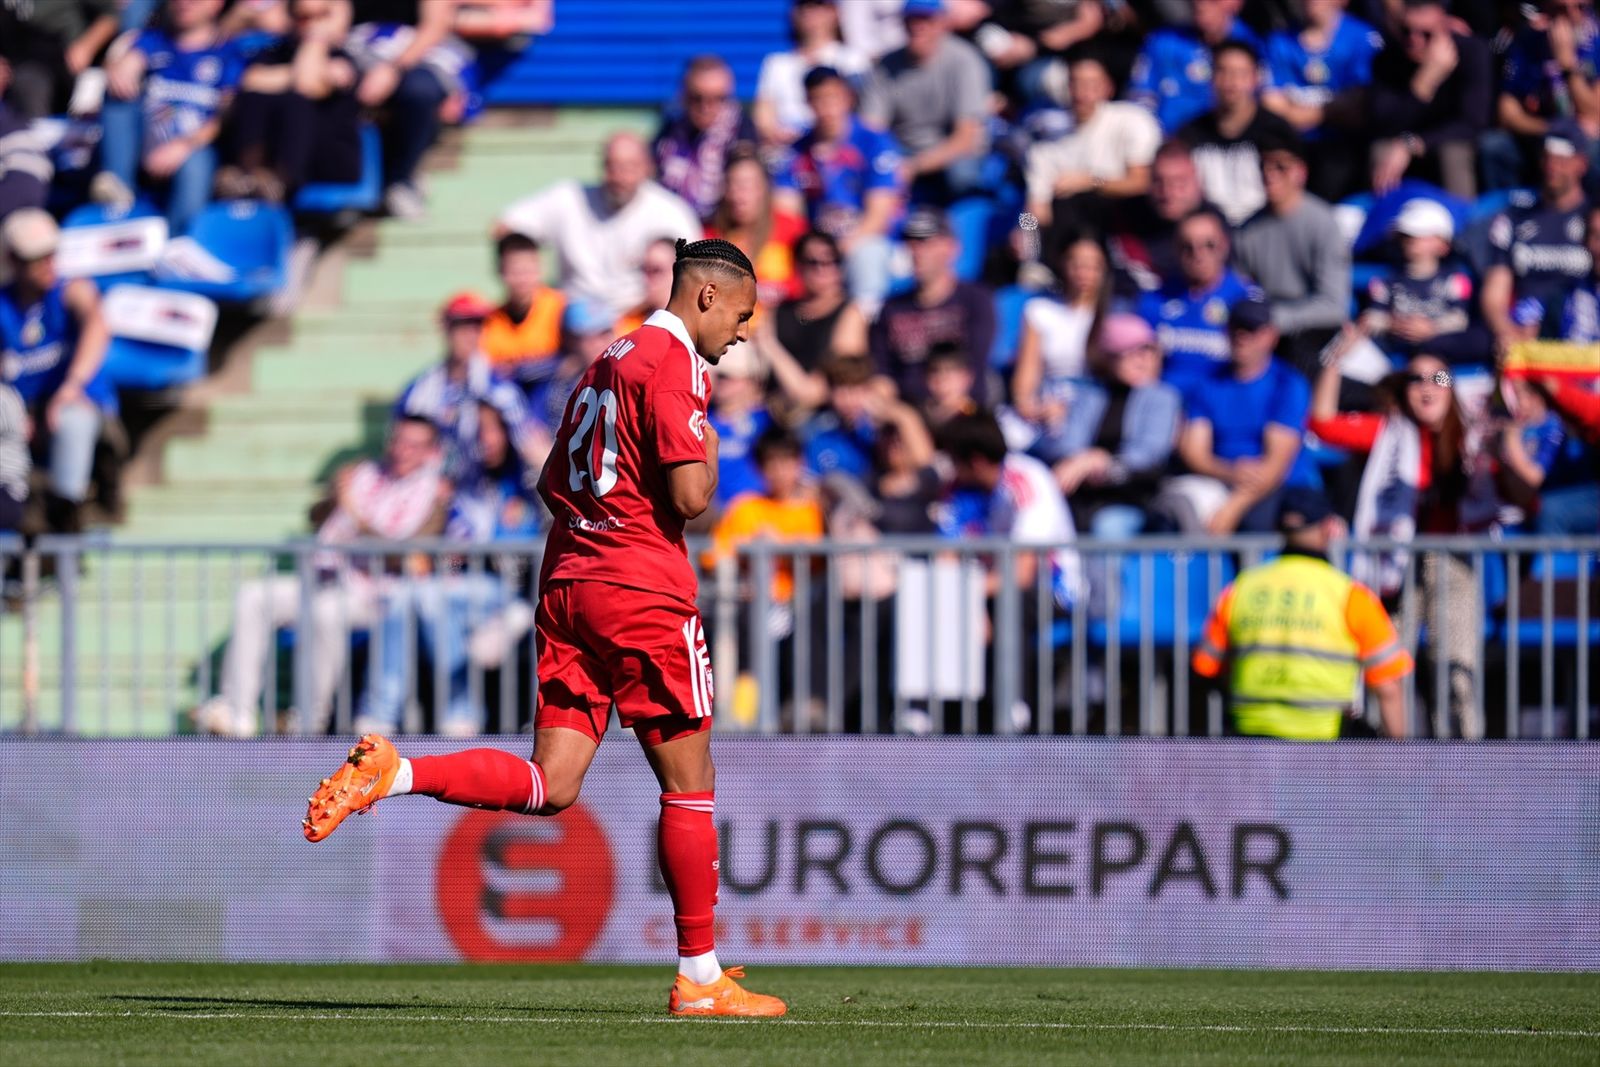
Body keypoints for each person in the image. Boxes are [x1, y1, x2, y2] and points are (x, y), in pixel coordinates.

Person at [303, 238, 785, 1017]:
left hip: (567, 582)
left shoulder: (602, 361)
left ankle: (395, 773)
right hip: (640, 589)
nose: (742, 332)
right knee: (690, 786)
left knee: (553, 782)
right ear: (705, 296)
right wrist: (713, 444)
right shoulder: (674, 365)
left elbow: (547, 479)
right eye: (740, 313)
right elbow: (693, 497)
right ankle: (700, 975)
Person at [196, 415, 451, 737]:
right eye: (398, 441)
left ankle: (308, 720)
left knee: (326, 613)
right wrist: (333, 495)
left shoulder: (433, 494)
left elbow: (404, 553)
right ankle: (236, 712)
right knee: (254, 596)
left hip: (373, 594)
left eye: (413, 445)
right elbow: (314, 518)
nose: (402, 450)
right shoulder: (364, 472)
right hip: (324, 576)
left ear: (430, 452)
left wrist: (355, 516)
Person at [1309, 350, 1498, 739]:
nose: (1428, 388)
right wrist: (1334, 359)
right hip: (1393, 569)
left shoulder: (1473, 435)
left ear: (1452, 389)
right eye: (1416, 379)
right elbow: (1323, 423)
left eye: (1440, 380)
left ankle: (1465, 772)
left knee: (1456, 671)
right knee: (1387, 674)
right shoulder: (1388, 433)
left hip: (1451, 563)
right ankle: (1391, 772)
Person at [358, 401, 541, 737]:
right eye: (477, 432)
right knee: (414, 595)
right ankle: (393, 716)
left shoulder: (525, 481)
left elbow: (526, 545)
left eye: (492, 430)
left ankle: (459, 707)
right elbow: (440, 546)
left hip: (515, 591)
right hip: (464, 587)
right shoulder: (462, 483)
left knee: (427, 594)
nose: (484, 440)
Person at [1192, 487, 1413, 740]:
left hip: (1249, 743)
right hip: (1322, 747)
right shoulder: (1350, 596)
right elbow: (1389, 689)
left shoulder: (1240, 589)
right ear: (1329, 528)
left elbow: (1206, 668)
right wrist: (1402, 766)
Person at [496, 132, 703, 321]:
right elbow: (505, 226)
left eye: (628, 167)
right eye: (611, 166)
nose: (619, 176)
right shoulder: (569, 199)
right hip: (571, 320)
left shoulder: (670, 212)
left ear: (646, 168)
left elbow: (698, 271)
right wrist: (528, 276)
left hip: (639, 319)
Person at [1164, 290, 1321, 535]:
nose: (1242, 336)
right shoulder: (1208, 383)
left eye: (1251, 329)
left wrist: (1233, 508)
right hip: (1220, 479)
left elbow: (1275, 466)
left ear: (1271, 336)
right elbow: (1194, 450)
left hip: (1280, 486)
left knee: (1256, 523)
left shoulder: (1287, 384)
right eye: (1237, 327)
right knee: (1172, 512)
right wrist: (1230, 471)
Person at [0, 209, 112, 536]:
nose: (48, 264)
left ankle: (67, 523)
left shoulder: (69, 291)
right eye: (37, 257)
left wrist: (71, 386)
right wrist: (15, 414)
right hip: (26, 424)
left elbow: (97, 324)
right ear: (14, 260)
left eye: (52, 254)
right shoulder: (5, 306)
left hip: (80, 414)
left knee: (69, 418)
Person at [94, 0, 243, 233]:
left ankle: (176, 244)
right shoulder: (152, 41)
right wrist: (121, 67)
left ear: (216, 4)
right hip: (144, 149)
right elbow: (116, 64)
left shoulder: (228, 53)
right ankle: (118, 193)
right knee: (117, 95)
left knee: (196, 163)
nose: (185, 3)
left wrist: (182, 146)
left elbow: (225, 118)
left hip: (192, 150)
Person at [772, 66, 903, 315]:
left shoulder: (874, 142)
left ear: (847, 98)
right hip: (820, 245)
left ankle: (863, 330)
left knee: (866, 258)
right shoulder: (797, 152)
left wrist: (837, 251)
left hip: (874, 243)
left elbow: (879, 216)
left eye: (832, 97)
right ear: (808, 103)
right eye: (818, 99)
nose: (827, 107)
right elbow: (786, 211)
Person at [1038, 313, 1182, 540]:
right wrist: (1083, 461)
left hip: (1135, 498)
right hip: (1082, 494)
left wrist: (1101, 462)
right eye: (1130, 352)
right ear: (1109, 357)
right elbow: (1066, 444)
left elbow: (1150, 455)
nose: (1141, 359)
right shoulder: (1089, 394)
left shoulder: (1162, 398)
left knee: (1107, 527)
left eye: (1147, 350)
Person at [1230, 132, 1351, 378]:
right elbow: (1239, 290)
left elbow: (1333, 306)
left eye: (1280, 167)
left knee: (1298, 359)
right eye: (1264, 166)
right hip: (1263, 325)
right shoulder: (1247, 230)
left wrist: (1274, 319)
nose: (1269, 174)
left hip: (1311, 329)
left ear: (1301, 172)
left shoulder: (1323, 223)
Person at [345, 0, 474, 219]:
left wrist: (392, 69)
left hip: (416, 53)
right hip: (353, 50)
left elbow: (435, 26)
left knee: (420, 91)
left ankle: (400, 178)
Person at [394, 292, 542, 481]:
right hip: (431, 489)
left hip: (490, 490)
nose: (471, 335)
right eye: (462, 325)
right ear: (446, 327)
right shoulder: (419, 390)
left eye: (478, 326)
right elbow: (400, 450)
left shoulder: (501, 390)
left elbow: (529, 445)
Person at [1022, 53, 1162, 247]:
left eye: (1091, 84)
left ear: (1108, 88)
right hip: (1074, 238)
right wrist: (1025, 235)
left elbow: (1141, 182)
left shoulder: (1131, 121)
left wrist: (1091, 181)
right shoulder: (1046, 146)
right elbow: (1033, 210)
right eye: (1075, 83)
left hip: (1129, 226)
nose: (1082, 93)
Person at [860, 0, 992, 203]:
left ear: (943, 23)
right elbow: (871, 129)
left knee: (962, 175)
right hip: (903, 149)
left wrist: (914, 166)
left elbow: (965, 137)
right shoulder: (886, 67)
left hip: (949, 151)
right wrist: (885, 164)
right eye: (912, 20)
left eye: (926, 19)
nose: (918, 26)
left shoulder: (965, 61)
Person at [1481, 121, 1594, 349]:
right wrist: (1505, 331)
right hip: (1521, 329)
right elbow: (1495, 291)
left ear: (1581, 164)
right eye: (1547, 158)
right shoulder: (1514, 218)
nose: (1552, 167)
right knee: (1439, 352)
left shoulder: (1594, 219)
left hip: (1583, 331)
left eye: (1562, 160)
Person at [870, 206, 996, 408]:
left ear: (952, 248)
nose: (916, 251)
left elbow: (974, 367)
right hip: (908, 416)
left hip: (962, 412)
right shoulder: (891, 307)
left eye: (925, 242)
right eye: (910, 242)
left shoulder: (975, 300)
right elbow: (882, 374)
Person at [1367, 0, 1492, 199]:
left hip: (1446, 142)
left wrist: (1414, 144)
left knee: (1452, 153)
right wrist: (1422, 86)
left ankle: (1462, 222)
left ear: (1445, 28)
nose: (1414, 40)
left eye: (1426, 34)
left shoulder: (1472, 52)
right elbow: (1384, 123)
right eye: (1406, 31)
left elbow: (1472, 122)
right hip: (1404, 142)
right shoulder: (1386, 60)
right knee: (1381, 150)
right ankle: (1386, 220)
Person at [1260, 0, 1383, 200]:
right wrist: (1332, 109)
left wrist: (1295, 111)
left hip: (1345, 151)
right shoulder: (1278, 41)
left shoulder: (1363, 37)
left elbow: (1359, 109)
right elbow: (1271, 107)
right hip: (1293, 148)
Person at [1174, 39, 1299, 227]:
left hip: (1266, 229)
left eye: (1240, 74)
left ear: (1256, 78)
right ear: (1211, 76)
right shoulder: (1190, 133)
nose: (1231, 82)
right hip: (1209, 234)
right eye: (1222, 71)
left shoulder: (1278, 132)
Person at [1482, 0, 1600, 191]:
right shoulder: (1527, 43)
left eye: (1581, 7)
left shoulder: (1596, 42)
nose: (1572, 15)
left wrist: (1568, 67)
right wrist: (1550, 127)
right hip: (1542, 133)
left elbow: (1596, 114)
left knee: (1594, 151)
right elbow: (1507, 112)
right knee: (1494, 146)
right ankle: (1512, 214)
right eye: (1560, 9)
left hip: (1586, 139)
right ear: (1546, 11)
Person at [1137, 206, 1253, 399]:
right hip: (1166, 402)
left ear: (1224, 245)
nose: (1198, 254)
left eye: (1208, 245)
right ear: (1176, 249)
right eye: (1187, 247)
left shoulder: (1246, 299)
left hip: (1222, 402)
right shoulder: (1154, 300)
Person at [1356, 198, 1489, 365]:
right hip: (1396, 356)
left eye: (1419, 235)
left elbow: (1459, 320)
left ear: (1443, 245)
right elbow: (1371, 318)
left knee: (1473, 342)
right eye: (1405, 235)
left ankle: (1440, 385)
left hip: (1442, 357)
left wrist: (1432, 328)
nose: (1410, 240)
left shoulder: (1455, 280)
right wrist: (1392, 324)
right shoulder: (1385, 282)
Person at [757, 230, 871, 420]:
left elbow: (812, 394)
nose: (822, 269)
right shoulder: (780, 311)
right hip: (771, 410)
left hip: (821, 419)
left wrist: (769, 345)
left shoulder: (849, 314)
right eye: (813, 262)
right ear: (797, 266)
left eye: (831, 260)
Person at [1010, 236, 1110, 428]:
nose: (1084, 273)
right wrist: (1027, 404)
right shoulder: (1040, 310)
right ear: (1063, 264)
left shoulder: (1113, 314)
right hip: (1049, 396)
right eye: (1077, 264)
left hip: (1093, 401)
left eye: (1093, 266)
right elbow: (1028, 370)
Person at [1127, 0, 1264, 134]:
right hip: (1167, 141)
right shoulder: (1163, 42)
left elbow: (1263, 100)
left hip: (1228, 142)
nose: (1201, 4)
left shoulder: (1253, 45)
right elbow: (1140, 98)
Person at [654, 55, 760, 222]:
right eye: (697, 98)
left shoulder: (742, 134)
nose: (706, 107)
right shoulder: (670, 133)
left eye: (717, 98)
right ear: (684, 95)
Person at [752, 0, 870, 146]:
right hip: (787, 149)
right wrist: (779, 136)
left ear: (834, 12)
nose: (811, 13)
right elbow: (764, 116)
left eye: (819, 6)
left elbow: (862, 113)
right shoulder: (776, 64)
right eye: (804, 7)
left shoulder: (853, 60)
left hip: (840, 147)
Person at [1105, 140, 1209, 299]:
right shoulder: (1125, 217)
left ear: (1197, 183)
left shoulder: (1214, 227)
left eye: (1178, 182)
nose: (1167, 192)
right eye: (1158, 181)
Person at [1498, 375, 1598, 535]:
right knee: (1502, 536)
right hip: (1530, 509)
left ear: (1536, 396)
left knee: (1550, 512)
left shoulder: (1553, 425)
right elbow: (1518, 490)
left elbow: (1535, 476)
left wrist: (1511, 439)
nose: (1516, 403)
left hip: (1562, 508)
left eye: (1520, 394)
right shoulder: (1524, 429)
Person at [706, 149, 806, 309]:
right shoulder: (711, 238)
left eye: (746, 185)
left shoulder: (792, 229)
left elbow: (806, 281)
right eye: (732, 184)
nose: (738, 195)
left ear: (763, 188)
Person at [0, 0, 118, 119]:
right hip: (13, 60)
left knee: (30, 83)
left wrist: (86, 47)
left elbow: (111, 15)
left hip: (59, 63)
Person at [480, 232, 565, 377]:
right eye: (515, 271)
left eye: (528, 270)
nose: (523, 279)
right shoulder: (490, 322)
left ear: (540, 270)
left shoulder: (560, 310)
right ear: (500, 271)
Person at [706, 341, 774, 511]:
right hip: (709, 515)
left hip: (755, 515)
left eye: (729, 376)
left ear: (752, 381)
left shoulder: (765, 419)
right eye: (719, 375)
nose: (722, 381)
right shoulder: (700, 419)